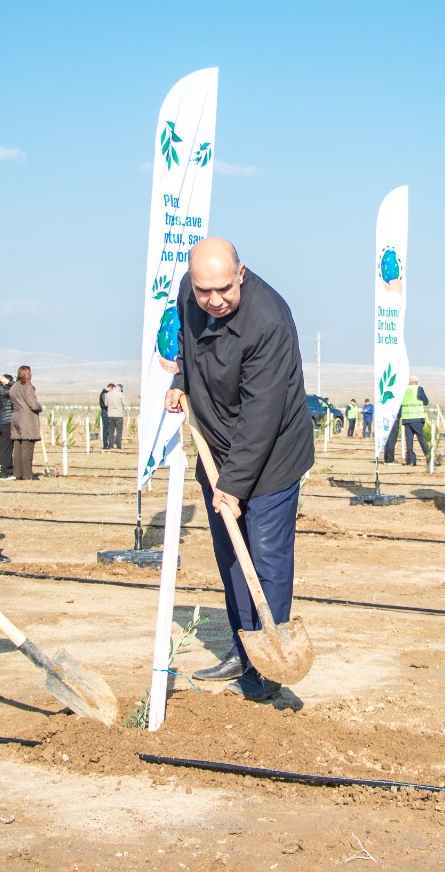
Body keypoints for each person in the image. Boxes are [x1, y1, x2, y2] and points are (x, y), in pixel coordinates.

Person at [163, 238, 314, 703]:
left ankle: (266, 667)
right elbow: (190, 348)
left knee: (265, 559)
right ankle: (242, 647)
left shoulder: (268, 320)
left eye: (224, 288)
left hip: (271, 455)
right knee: (231, 558)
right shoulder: (190, 294)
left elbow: (261, 414)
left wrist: (232, 485)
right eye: (205, 290)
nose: (214, 299)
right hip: (218, 446)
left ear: (241, 273)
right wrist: (180, 381)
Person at [8, 366, 43, 480]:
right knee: (27, 448)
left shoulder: (14, 387)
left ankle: (17, 473)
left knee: (17, 447)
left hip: (16, 418)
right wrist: (39, 407)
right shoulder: (27, 387)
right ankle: (27, 475)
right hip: (27, 420)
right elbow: (33, 404)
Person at [397, 376, 430, 465]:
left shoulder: (403, 390)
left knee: (409, 441)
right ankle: (429, 459)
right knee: (422, 439)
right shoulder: (418, 389)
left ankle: (411, 461)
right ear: (416, 382)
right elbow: (426, 402)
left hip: (406, 419)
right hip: (417, 418)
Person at [104, 383, 126, 449]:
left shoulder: (108, 394)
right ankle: (119, 446)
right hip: (119, 414)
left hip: (110, 414)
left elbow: (106, 404)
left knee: (111, 431)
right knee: (119, 431)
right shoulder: (121, 394)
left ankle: (111, 445)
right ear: (121, 389)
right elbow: (125, 404)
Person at [98, 384, 112, 449]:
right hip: (105, 412)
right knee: (106, 429)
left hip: (106, 412)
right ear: (110, 388)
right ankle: (105, 445)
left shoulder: (105, 394)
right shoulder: (105, 394)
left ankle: (108, 444)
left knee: (108, 429)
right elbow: (105, 404)